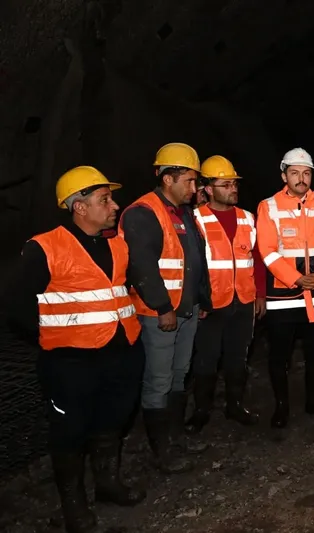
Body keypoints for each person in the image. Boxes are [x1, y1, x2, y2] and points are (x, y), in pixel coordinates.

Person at [6, 166, 145, 532]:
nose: (115, 206)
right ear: (79, 207)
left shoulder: (117, 243)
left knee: (111, 421)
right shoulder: (45, 247)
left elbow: (123, 291)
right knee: (69, 432)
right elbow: (16, 305)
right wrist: (53, 338)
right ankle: (73, 505)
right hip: (70, 362)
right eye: (105, 200)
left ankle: (107, 484)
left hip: (121, 353)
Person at [120, 142, 212, 474]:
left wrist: (201, 299)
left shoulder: (183, 212)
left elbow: (195, 259)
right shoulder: (143, 213)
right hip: (159, 315)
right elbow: (141, 267)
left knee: (178, 376)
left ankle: (176, 437)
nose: (194, 187)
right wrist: (163, 307)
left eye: (195, 180)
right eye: (189, 180)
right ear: (167, 178)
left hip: (186, 310)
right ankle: (162, 451)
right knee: (158, 381)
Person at [256, 148, 314, 428]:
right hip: (283, 295)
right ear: (284, 175)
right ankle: (281, 407)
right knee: (280, 355)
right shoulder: (268, 206)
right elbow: (267, 250)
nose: (301, 178)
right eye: (294, 173)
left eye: (306, 173)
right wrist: (296, 278)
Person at [184, 155, 264, 433]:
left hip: (243, 300)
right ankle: (201, 411)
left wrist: (260, 295)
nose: (233, 189)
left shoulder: (247, 218)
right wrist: (196, 300)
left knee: (238, 358)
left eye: (234, 184)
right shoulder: (195, 219)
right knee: (205, 360)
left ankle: (235, 406)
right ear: (208, 189)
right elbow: (190, 265)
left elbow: (257, 259)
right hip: (211, 304)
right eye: (226, 184)